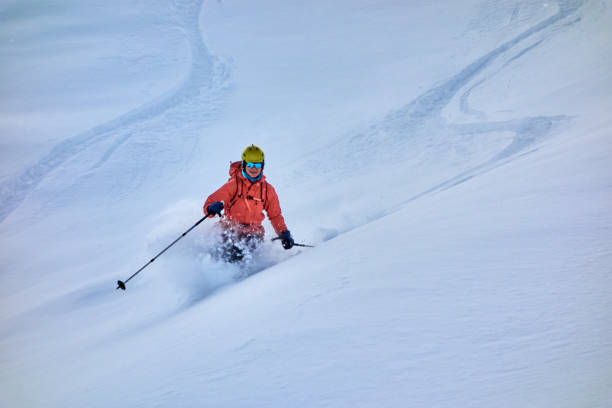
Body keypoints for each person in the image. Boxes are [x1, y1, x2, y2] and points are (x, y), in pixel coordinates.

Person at [203, 145, 294, 263]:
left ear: (262, 166)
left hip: (252, 235)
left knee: (241, 257)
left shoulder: (267, 190)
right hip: (229, 230)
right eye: (250, 165)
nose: (254, 168)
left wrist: (284, 233)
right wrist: (211, 208)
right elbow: (210, 201)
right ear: (244, 165)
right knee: (220, 252)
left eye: (257, 165)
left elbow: (275, 215)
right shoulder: (234, 184)